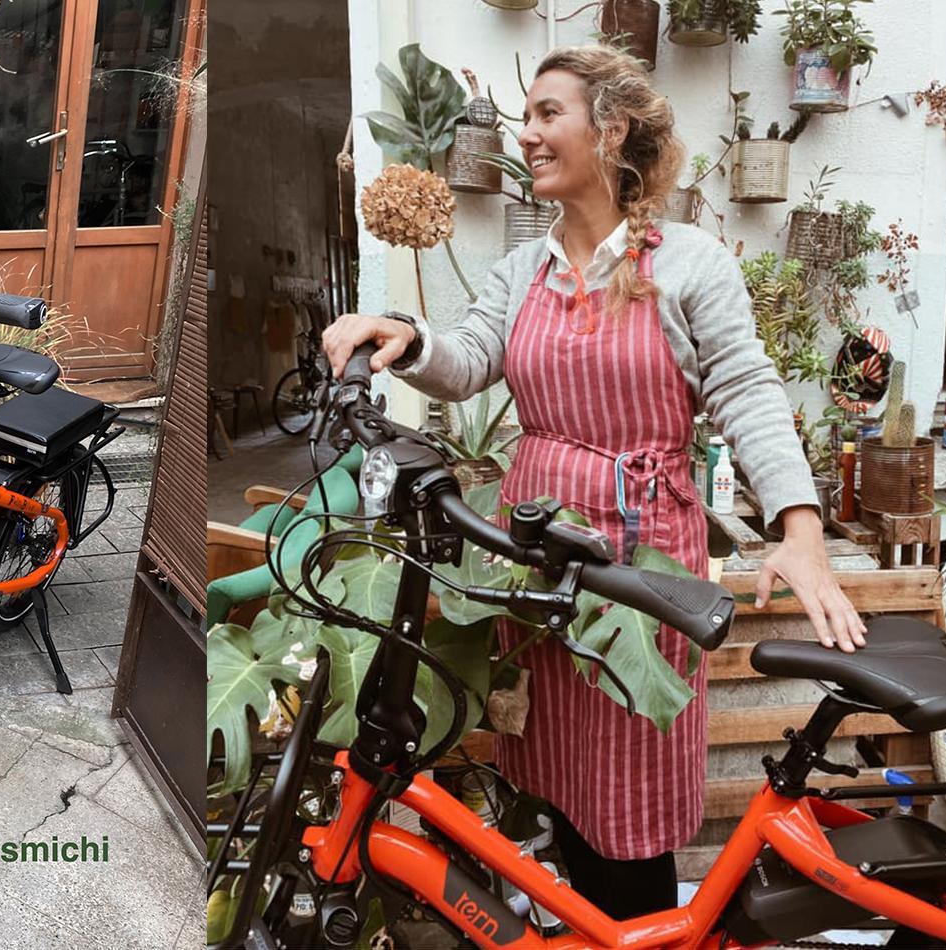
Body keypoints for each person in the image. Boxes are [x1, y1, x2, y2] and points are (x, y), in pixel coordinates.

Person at [322, 45, 867, 919]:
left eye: (547, 114)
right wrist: (407, 336)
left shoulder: (689, 262)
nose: (526, 134)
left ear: (610, 130)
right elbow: (467, 362)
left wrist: (800, 531)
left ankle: (640, 934)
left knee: (632, 802)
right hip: (534, 553)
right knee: (559, 775)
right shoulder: (520, 270)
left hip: (641, 564)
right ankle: (580, 927)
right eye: (526, 118)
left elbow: (748, 391)